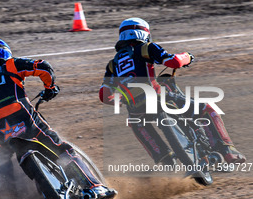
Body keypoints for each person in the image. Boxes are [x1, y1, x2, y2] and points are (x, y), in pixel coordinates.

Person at [0, 38, 117, 199]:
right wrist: (50, 87)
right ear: (4, 52)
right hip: (26, 120)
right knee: (62, 150)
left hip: (2, 133)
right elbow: (44, 68)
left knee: (3, 173)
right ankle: (94, 187)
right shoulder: (11, 65)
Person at [99, 18, 246, 166]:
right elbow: (173, 62)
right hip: (156, 97)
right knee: (206, 108)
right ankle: (228, 150)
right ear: (144, 33)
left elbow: (104, 96)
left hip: (135, 109)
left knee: (136, 123)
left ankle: (165, 160)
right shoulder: (146, 48)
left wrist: (124, 99)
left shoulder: (113, 64)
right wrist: (187, 57)